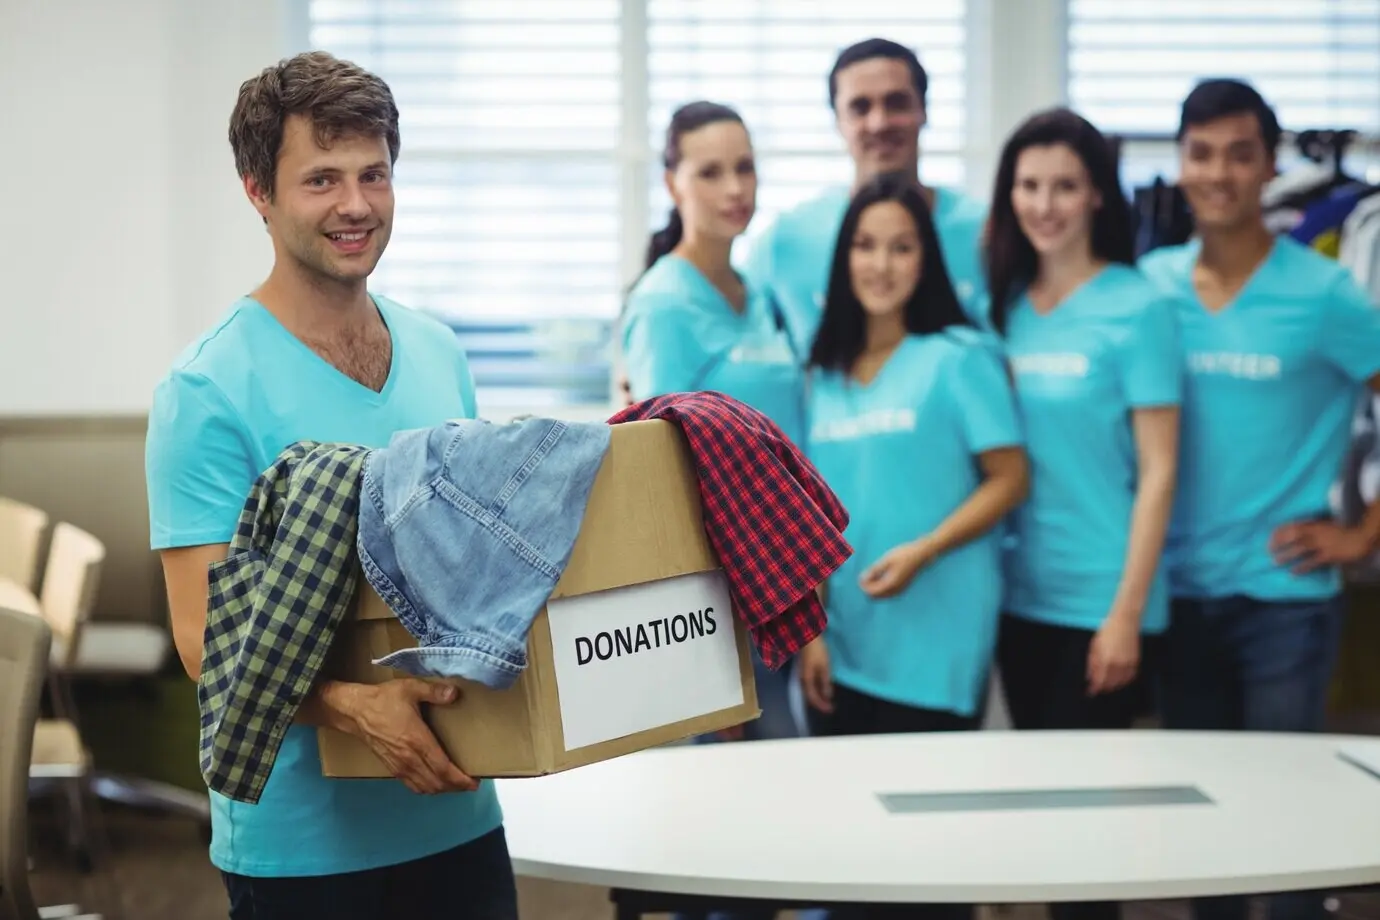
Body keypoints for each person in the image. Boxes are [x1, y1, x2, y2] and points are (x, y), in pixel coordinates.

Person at [144, 51, 515, 920]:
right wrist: (357, 710)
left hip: (457, 804)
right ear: (257, 192)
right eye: (321, 179)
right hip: (303, 847)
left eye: (374, 175)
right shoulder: (206, 390)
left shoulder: (438, 352)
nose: (356, 205)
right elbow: (204, 643)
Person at [1139, 79, 1380, 920]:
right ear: (1180, 163)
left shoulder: (1324, 295)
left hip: (1284, 602)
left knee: (1286, 839)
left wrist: (1363, 536)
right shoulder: (1152, 288)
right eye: (1201, 154)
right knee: (1207, 837)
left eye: (1240, 155)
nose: (1219, 173)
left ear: (1269, 166)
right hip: (1182, 595)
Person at [798, 172, 1027, 920]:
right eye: (865, 246)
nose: (882, 264)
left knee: (927, 881)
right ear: (844, 259)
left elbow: (1009, 477)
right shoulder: (822, 376)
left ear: (926, 259)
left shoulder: (958, 357)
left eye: (901, 247)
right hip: (846, 644)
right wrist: (810, 634)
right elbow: (813, 518)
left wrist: (924, 550)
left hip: (935, 645)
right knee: (853, 871)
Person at [982, 107, 1181, 920]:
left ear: (1098, 194)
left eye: (1065, 185)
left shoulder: (1137, 305)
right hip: (1017, 596)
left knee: (1089, 832)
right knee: (1042, 814)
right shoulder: (1004, 306)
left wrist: (1126, 615)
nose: (1045, 203)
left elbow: (1163, 470)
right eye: (1029, 185)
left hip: (1102, 600)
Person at [620, 100, 809, 920]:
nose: (735, 187)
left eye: (746, 167)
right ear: (672, 182)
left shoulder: (757, 290)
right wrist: (708, 664)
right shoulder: (665, 303)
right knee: (721, 844)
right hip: (716, 605)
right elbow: (665, 480)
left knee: (771, 831)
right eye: (710, 171)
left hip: (775, 586)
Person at [741, 38, 992, 356]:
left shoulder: (986, 232)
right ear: (837, 121)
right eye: (860, 107)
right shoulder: (786, 240)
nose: (879, 123)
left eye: (897, 103)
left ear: (924, 111)